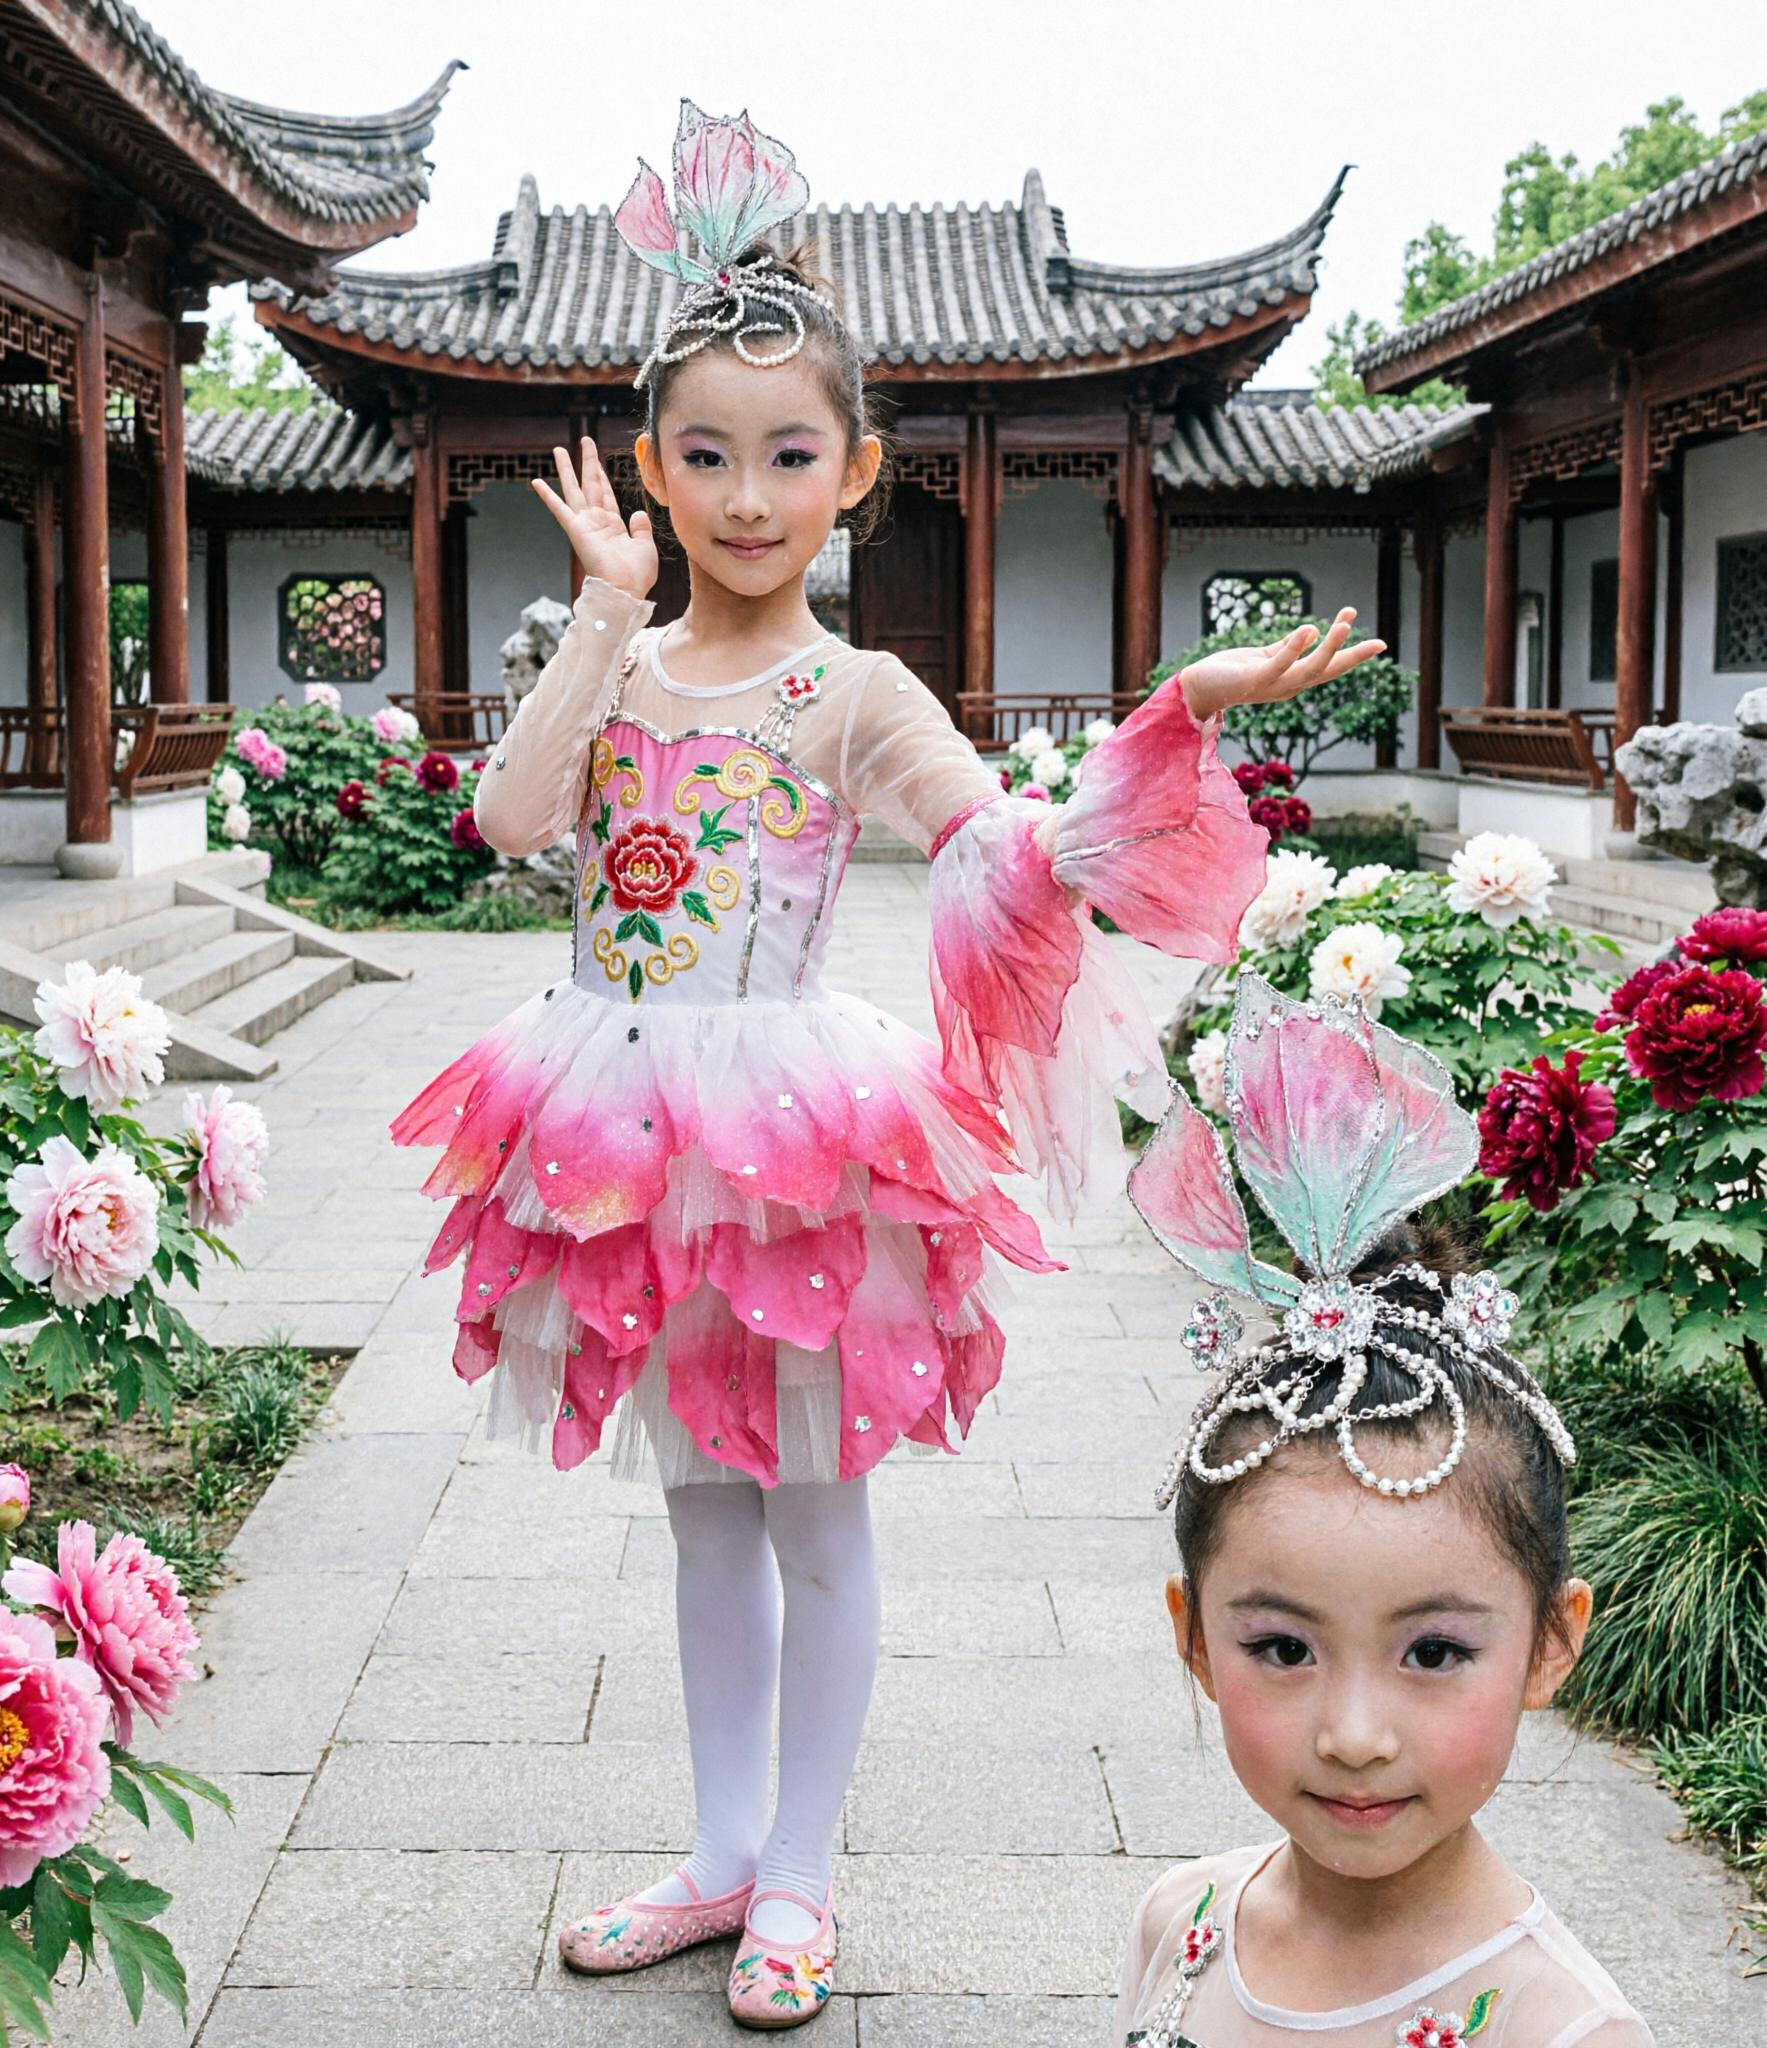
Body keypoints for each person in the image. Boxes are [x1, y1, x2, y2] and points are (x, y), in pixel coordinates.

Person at [390, 101, 1382, 2031]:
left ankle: (803, 1879)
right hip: (610, 1121)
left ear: (853, 473)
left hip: (792, 1139)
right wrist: (597, 613)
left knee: (817, 1508)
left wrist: (1174, 710)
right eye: (702, 455)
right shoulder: (618, 660)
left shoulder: (853, 691)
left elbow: (1001, 838)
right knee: (696, 1511)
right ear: (653, 472)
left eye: (786, 455)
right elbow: (512, 824)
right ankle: (717, 1847)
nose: (744, 493)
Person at [1113, 974, 1653, 2048]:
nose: (1352, 1735)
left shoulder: (1561, 2030)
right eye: (1277, 1644)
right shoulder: (1178, 1920)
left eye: (1434, 1650)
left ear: (1551, 1640)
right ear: (1191, 1635)